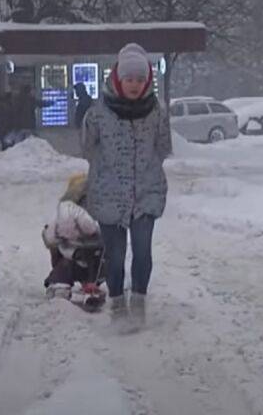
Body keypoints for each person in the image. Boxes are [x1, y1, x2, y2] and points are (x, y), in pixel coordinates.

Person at [81, 43, 170, 333]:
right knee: (116, 256)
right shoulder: (98, 113)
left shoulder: (156, 112)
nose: (134, 84)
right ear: (118, 79)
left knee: (143, 251)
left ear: (147, 81)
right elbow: (87, 148)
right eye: (129, 79)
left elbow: (163, 147)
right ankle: (118, 306)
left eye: (140, 79)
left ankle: (139, 305)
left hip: (146, 193)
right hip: (109, 196)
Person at [41, 173, 105, 305]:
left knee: (63, 258)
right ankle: (91, 284)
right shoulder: (99, 209)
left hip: (74, 259)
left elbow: (50, 237)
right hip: (98, 261)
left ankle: (60, 284)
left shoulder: (65, 211)